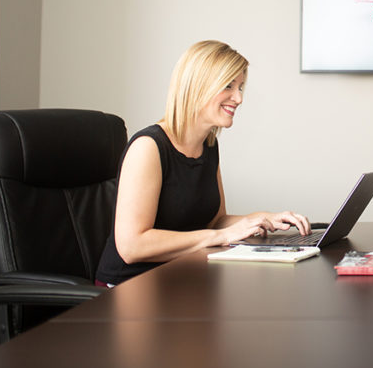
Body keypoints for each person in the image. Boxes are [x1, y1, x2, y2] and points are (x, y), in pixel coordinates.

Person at [96, 40, 310, 285]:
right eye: (229, 85)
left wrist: (263, 219)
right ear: (198, 86)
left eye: (241, 87)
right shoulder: (148, 147)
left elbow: (216, 221)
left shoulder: (208, 145)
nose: (238, 98)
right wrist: (219, 236)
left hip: (181, 278)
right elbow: (131, 246)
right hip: (131, 286)